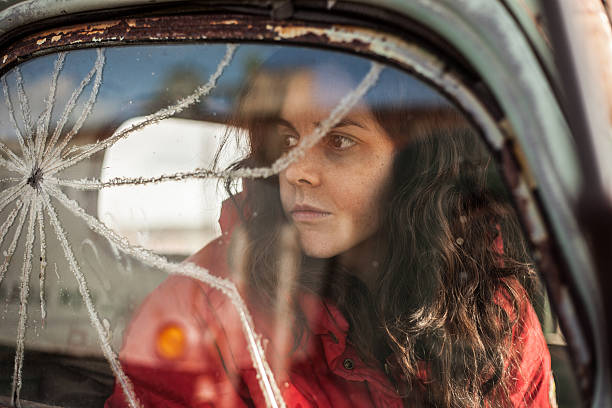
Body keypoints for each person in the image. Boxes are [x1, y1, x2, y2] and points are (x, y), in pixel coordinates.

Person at [106, 48, 555, 407]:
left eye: (339, 141)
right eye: (285, 141)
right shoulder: (207, 302)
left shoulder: (493, 311)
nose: (296, 170)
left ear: (414, 164)